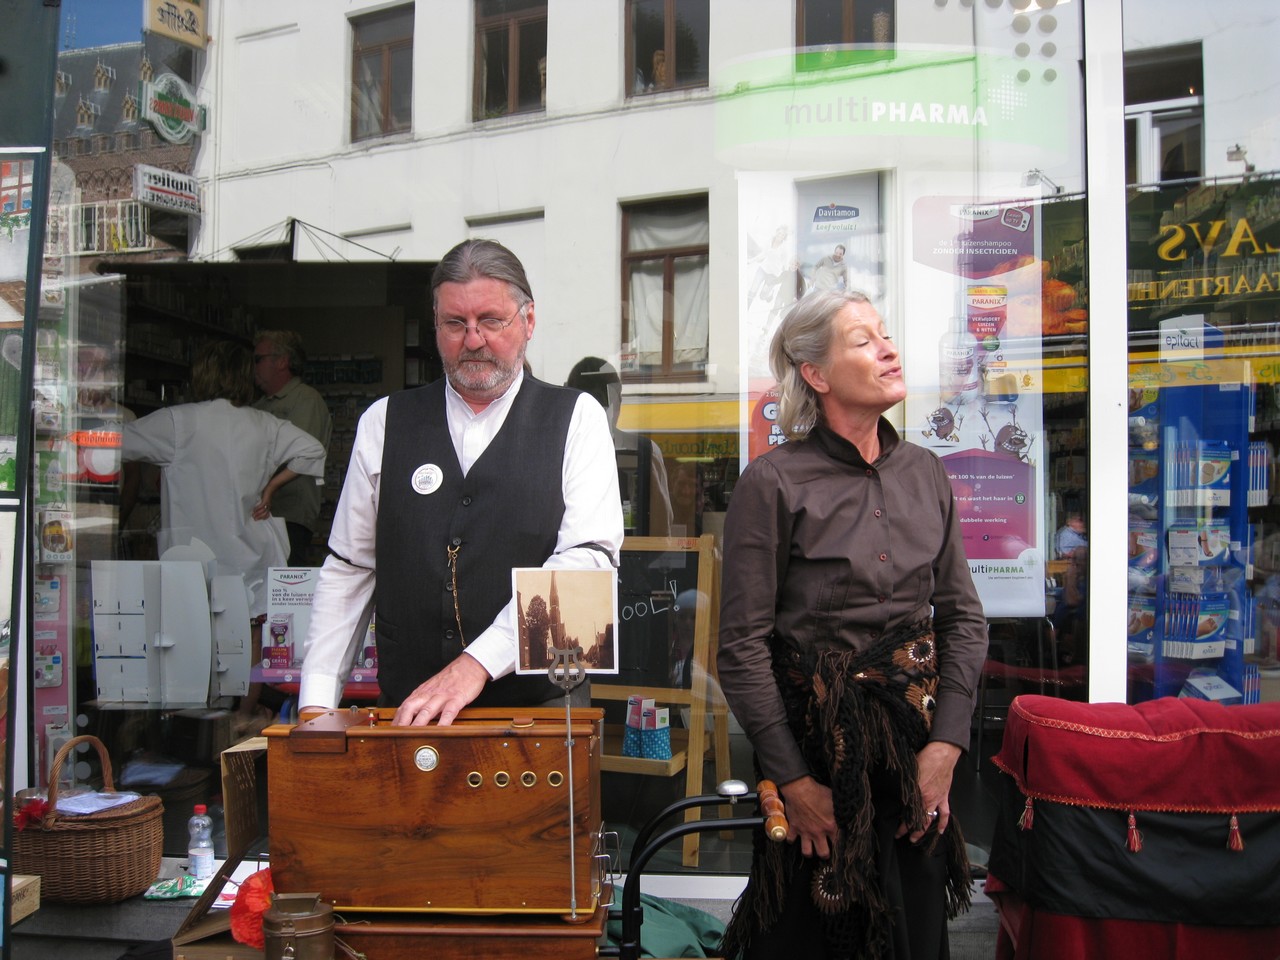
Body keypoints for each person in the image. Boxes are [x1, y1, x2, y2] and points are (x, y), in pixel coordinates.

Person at [717, 290, 987, 960]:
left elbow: (963, 618)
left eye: (886, 335)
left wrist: (946, 748)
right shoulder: (773, 484)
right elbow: (741, 648)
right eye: (863, 340)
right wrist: (795, 783)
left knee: (913, 936)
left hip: (912, 757)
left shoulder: (926, 474)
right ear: (815, 372)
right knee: (813, 937)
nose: (888, 349)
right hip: (817, 768)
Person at [298, 239, 624, 726]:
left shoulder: (577, 418)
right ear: (435, 326)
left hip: (541, 716)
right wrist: (316, 703)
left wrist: (476, 664)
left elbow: (590, 564)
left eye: (491, 320)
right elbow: (350, 568)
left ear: (528, 321)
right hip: (409, 716)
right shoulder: (384, 422)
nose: (473, 340)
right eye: (455, 323)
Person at [122, 341, 326, 725]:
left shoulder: (178, 422)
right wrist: (270, 489)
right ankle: (243, 714)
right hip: (248, 546)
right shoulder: (263, 424)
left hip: (195, 551)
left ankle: (195, 713)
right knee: (249, 634)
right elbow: (312, 451)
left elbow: (118, 441)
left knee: (193, 632)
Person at [565, 356, 673, 537]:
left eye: (612, 399)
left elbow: (662, 529)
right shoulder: (562, 451)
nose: (607, 408)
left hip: (634, 556)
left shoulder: (644, 451)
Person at [252, 329, 334, 566]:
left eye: (259, 359)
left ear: (282, 361)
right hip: (261, 515)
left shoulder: (305, 400)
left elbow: (304, 453)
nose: (254, 366)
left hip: (288, 516)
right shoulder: (259, 405)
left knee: (283, 591)